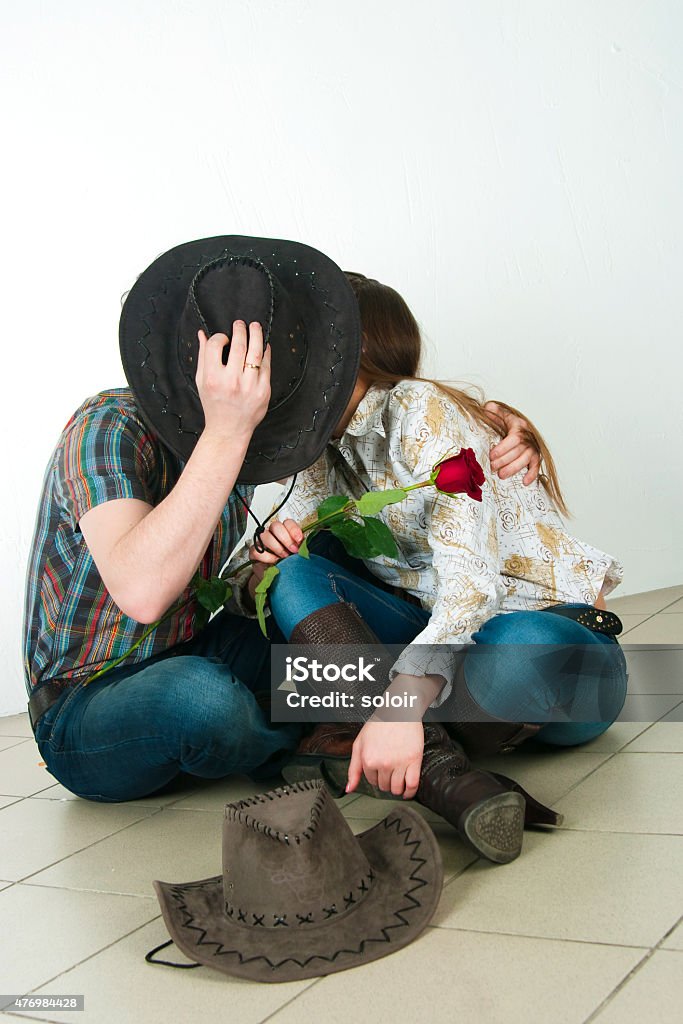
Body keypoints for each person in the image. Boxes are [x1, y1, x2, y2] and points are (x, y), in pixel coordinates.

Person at [22, 240, 539, 805]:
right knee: (203, 699)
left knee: (318, 592)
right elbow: (142, 594)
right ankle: (339, 745)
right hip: (87, 701)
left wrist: (493, 425)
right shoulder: (107, 427)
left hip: (203, 646)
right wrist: (226, 429)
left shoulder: (245, 438)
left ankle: (403, 734)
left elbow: (376, 435)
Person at [238, 272, 628, 864]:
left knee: (516, 646)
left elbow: (473, 587)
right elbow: (252, 574)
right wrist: (261, 560)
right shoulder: (320, 448)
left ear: (352, 350)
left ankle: (372, 720)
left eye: (302, 344)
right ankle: (447, 771)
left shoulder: (420, 409)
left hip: (552, 648)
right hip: (440, 657)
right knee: (293, 576)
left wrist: (396, 704)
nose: (285, 364)